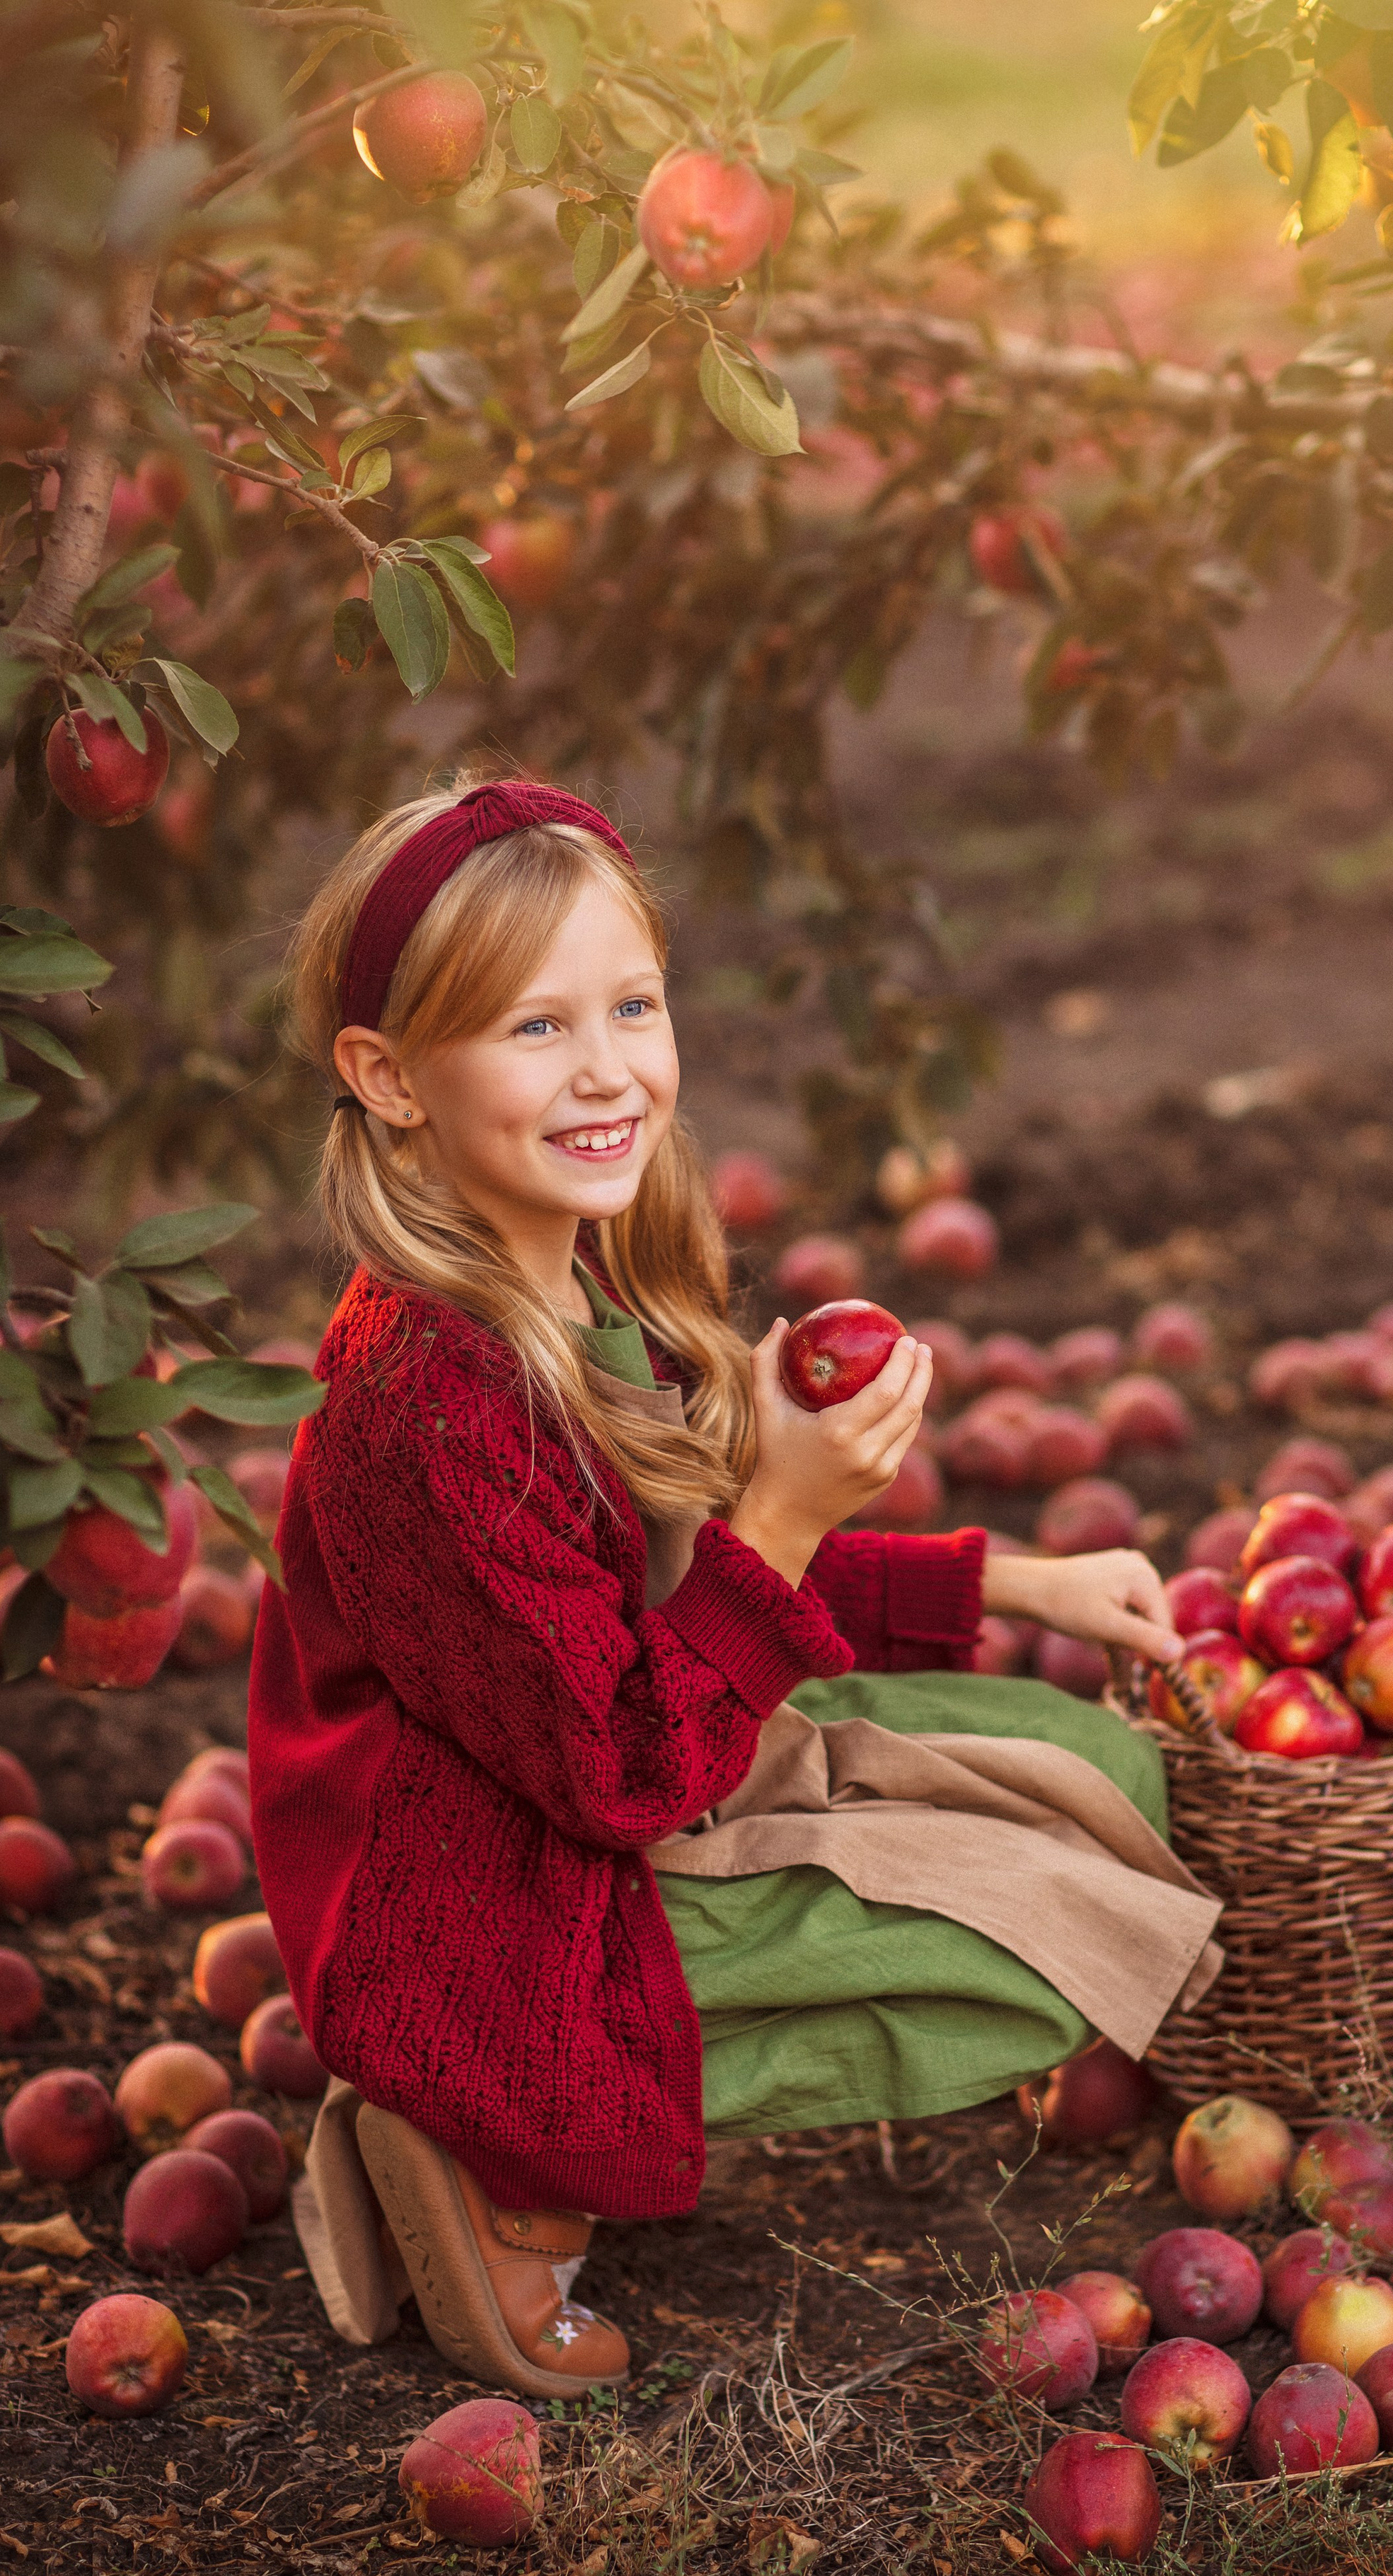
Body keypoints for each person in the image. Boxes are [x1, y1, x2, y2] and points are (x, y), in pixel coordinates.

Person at [249, 774, 1223, 2400]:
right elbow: (629, 1764)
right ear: (389, 1077)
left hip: (560, 1789)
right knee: (1035, 1935)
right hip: (485, 1899)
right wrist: (780, 1505)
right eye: (532, 1027)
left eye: (631, 1002)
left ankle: (495, 2100)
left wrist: (1025, 1582)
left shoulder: (564, 1277)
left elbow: (674, 1568)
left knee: (1105, 1777)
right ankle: (502, 2153)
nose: (610, 1066)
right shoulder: (429, 1398)